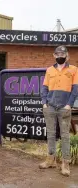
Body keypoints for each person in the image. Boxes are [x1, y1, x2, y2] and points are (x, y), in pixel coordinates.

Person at [40, 46, 78, 176]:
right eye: (58, 54)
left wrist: (69, 104)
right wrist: (44, 103)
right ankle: (51, 159)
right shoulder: (49, 70)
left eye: (63, 53)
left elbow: (75, 89)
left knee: (65, 136)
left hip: (64, 108)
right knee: (50, 134)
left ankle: (65, 163)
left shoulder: (74, 69)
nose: (60, 56)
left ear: (67, 55)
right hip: (50, 107)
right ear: (54, 56)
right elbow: (44, 87)